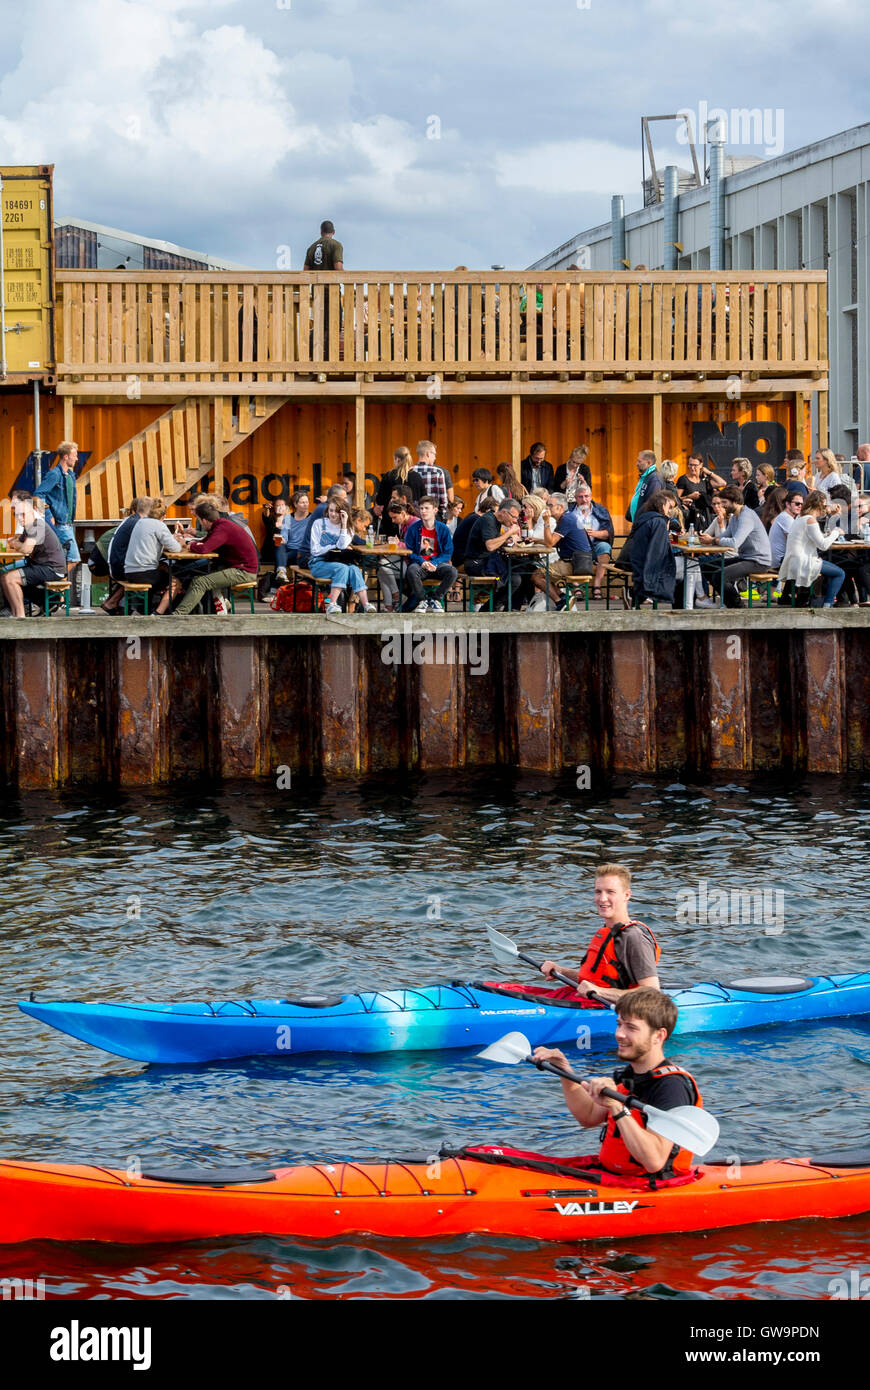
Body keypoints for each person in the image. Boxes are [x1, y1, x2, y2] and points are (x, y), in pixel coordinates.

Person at [531, 989, 701, 1181]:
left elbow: (654, 1161)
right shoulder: (628, 1076)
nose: (619, 1034)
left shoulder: (671, 1087)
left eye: (631, 1027)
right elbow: (587, 1117)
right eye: (619, 1025)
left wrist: (616, 1107)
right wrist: (564, 1071)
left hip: (651, 1186)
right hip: (615, 1178)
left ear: (658, 1036)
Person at [538, 863, 660, 1004]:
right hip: (589, 1003)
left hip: (610, 1010)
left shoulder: (634, 938)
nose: (602, 899)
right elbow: (596, 981)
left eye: (610, 892)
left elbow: (652, 993)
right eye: (598, 891)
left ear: (626, 895)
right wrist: (561, 971)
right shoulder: (607, 932)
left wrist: (600, 991)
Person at [173, 499, 260, 615]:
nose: (200, 523)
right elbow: (205, 542)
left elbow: (204, 549)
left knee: (200, 582)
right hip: (238, 567)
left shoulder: (222, 528)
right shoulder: (220, 525)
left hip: (244, 571)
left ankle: (178, 616)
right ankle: (220, 606)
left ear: (203, 520)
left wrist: (189, 545)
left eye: (199, 520)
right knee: (197, 575)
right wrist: (190, 544)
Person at [0, 492, 67, 617]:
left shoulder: (38, 525)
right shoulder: (29, 526)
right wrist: (18, 544)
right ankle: (14, 614)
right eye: (17, 515)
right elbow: (16, 542)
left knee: (10, 578)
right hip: (42, 566)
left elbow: (26, 549)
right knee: (4, 576)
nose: (20, 518)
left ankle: (20, 617)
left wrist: (18, 545)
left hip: (52, 568)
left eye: (22, 514)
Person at [307, 496, 374, 615]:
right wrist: (333, 547)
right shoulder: (319, 523)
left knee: (354, 569)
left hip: (338, 562)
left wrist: (344, 525)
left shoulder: (348, 528)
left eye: (337, 511)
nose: (333, 514)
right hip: (318, 562)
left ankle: (366, 605)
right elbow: (315, 550)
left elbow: (342, 546)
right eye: (331, 510)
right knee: (342, 568)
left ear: (343, 513)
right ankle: (332, 604)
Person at [779, 489, 845, 607]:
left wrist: (828, 534)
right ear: (819, 505)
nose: (825, 508)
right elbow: (823, 546)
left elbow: (813, 537)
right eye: (824, 505)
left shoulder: (801, 517)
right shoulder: (810, 520)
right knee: (840, 573)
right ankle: (827, 605)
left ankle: (825, 602)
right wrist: (836, 532)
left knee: (833, 571)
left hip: (794, 560)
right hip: (804, 562)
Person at [32, 440, 81, 599]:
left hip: (68, 522)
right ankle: (56, 593)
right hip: (59, 523)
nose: (77, 459)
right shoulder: (54, 474)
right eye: (74, 455)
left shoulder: (70, 474)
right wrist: (47, 516)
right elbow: (38, 495)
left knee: (65, 557)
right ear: (66, 457)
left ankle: (55, 594)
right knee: (73, 558)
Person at [120, 497, 183, 614]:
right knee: (175, 583)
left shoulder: (140, 522)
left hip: (129, 572)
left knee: (162, 568)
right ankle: (157, 614)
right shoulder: (159, 525)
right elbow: (176, 548)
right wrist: (181, 542)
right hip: (143, 573)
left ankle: (147, 609)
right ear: (163, 516)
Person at [533, 492, 594, 608]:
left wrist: (546, 522)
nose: (547, 508)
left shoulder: (567, 520)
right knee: (542, 574)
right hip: (574, 561)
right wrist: (535, 540)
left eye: (550, 505)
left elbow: (550, 543)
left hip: (574, 563)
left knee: (537, 576)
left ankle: (560, 602)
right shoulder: (566, 518)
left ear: (560, 507)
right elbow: (551, 541)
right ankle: (563, 597)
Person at [717, 484, 772, 608]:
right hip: (746, 558)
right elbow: (725, 535)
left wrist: (715, 541)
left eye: (724, 502)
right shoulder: (735, 517)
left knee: (720, 575)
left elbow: (735, 543)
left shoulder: (746, 516)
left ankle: (738, 606)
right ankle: (733, 604)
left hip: (759, 561)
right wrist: (708, 539)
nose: (722, 506)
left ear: (735, 501)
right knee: (708, 566)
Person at [464, 497, 524, 608]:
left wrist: (506, 541)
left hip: (486, 561)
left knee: (520, 573)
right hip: (475, 563)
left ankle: (502, 608)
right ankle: (490, 609)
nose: (515, 520)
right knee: (513, 580)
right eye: (514, 517)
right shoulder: (488, 520)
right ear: (504, 512)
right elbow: (490, 546)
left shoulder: (495, 520)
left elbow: (494, 541)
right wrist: (509, 533)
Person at [401, 496, 457, 612]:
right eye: (421, 508)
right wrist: (422, 562)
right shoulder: (413, 528)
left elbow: (448, 552)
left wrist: (435, 563)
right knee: (411, 570)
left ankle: (436, 599)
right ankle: (422, 601)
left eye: (427, 508)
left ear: (435, 510)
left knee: (452, 571)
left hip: (437, 564)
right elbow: (409, 551)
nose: (423, 511)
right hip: (420, 565)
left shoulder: (443, 529)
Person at [628, 492, 678, 607]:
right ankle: (685, 608)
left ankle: (637, 598)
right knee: (690, 569)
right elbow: (657, 551)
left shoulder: (645, 518)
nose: (670, 511)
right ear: (662, 506)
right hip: (648, 567)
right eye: (668, 507)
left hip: (638, 562)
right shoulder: (659, 521)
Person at [572, 481, 614, 598]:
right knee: (568, 550)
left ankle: (597, 585)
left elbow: (608, 533)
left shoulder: (601, 511)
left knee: (605, 547)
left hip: (595, 543)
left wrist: (594, 533)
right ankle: (577, 587)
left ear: (591, 497)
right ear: (575, 498)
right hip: (576, 546)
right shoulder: (570, 511)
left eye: (586, 496)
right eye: (580, 497)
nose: (584, 500)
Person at [273, 490, 311, 583]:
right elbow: (285, 535)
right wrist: (282, 539)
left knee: (281, 558)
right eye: (302, 502)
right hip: (291, 551)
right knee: (279, 546)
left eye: (307, 502)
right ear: (295, 504)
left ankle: (276, 585)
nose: (306, 504)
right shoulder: (288, 518)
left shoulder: (312, 518)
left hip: (304, 552)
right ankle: (281, 572)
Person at [375, 446, 424, 517]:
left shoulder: (389, 476)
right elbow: (423, 498)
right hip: (412, 518)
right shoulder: (417, 477)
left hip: (391, 518)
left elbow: (380, 500)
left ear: (397, 459)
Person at [409, 441, 449, 520]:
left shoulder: (409, 471)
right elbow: (443, 499)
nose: (435, 457)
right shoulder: (437, 472)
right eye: (434, 454)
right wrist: (443, 515)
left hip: (413, 516)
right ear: (428, 454)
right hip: (432, 516)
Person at [626, 450, 662, 523]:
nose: (636, 464)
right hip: (639, 521)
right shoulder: (645, 477)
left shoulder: (654, 479)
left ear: (649, 463)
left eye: (639, 461)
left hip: (644, 523)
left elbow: (651, 504)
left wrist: (640, 520)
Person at [768, 489, 802, 568]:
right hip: (780, 563)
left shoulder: (786, 517)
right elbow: (796, 542)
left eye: (801, 504)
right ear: (787, 504)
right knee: (836, 572)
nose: (800, 506)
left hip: (781, 561)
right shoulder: (786, 518)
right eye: (797, 504)